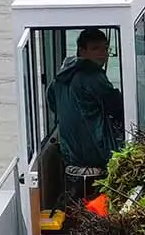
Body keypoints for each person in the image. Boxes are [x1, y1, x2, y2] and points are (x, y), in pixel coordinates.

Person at [47, 28, 125, 203]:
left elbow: (52, 103)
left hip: (69, 158)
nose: (102, 54)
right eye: (96, 48)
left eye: (105, 49)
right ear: (82, 50)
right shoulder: (92, 76)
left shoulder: (59, 78)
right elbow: (116, 107)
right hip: (96, 156)